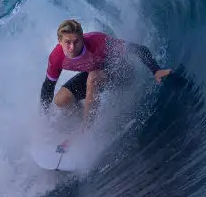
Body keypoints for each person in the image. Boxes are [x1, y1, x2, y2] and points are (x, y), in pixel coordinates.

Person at [40, 19, 172, 126]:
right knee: (61, 100)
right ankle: (82, 119)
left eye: (76, 41)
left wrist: (156, 70)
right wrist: (44, 116)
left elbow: (139, 49)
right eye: (67, 42)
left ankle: (86, 128)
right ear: (59, 42)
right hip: (96, 73)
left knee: (93, 77)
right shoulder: (56, 57)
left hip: (122, 72)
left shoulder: (98, 42)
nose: (72, 47)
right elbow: (48, 86)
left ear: (82, 38)